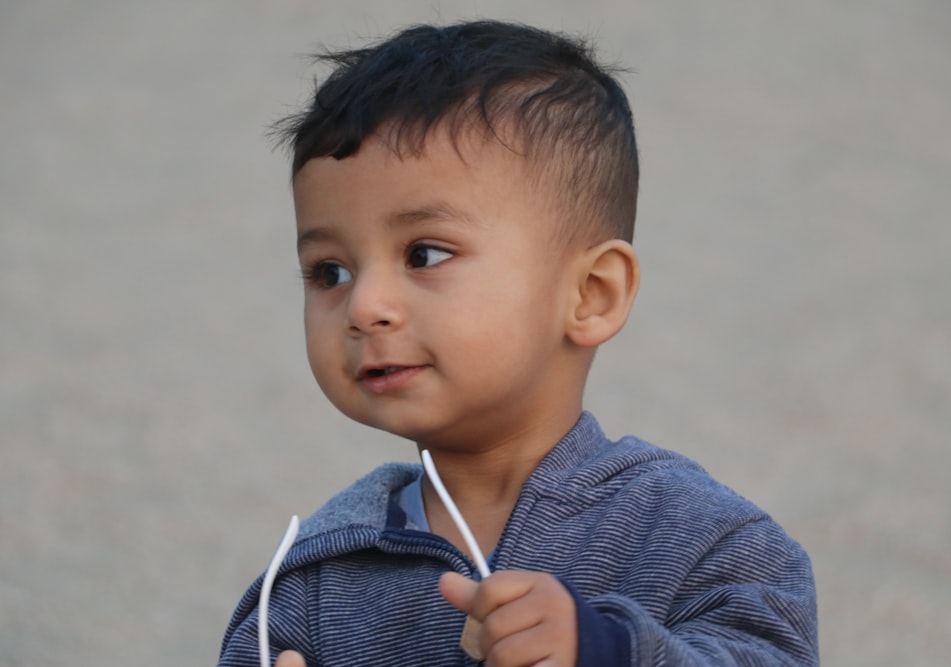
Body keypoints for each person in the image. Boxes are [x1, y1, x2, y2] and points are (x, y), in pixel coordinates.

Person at [218, 20, 818, 667]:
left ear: (590, 293)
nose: (364, 306)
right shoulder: (315, 575)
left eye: (424, 253)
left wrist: (606, 651)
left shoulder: (697, 538)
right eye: (330, 270)